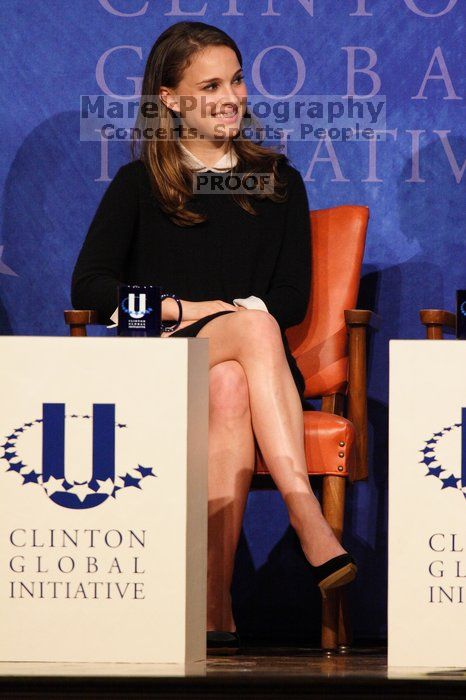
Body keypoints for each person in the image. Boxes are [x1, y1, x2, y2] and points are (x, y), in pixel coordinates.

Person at [71, 21, 357, 654]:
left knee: (230, 380)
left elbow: (289, 300)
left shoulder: (275, 179)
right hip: (166, 364)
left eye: (236, 79)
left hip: (247, 367)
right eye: (209, 85)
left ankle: (213, 609)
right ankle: (304, 510)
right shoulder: (140, 185)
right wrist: (183, 309)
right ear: (170, 100)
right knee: (247, 331)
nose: (231, 96)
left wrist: (233, 320)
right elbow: (90, 288)